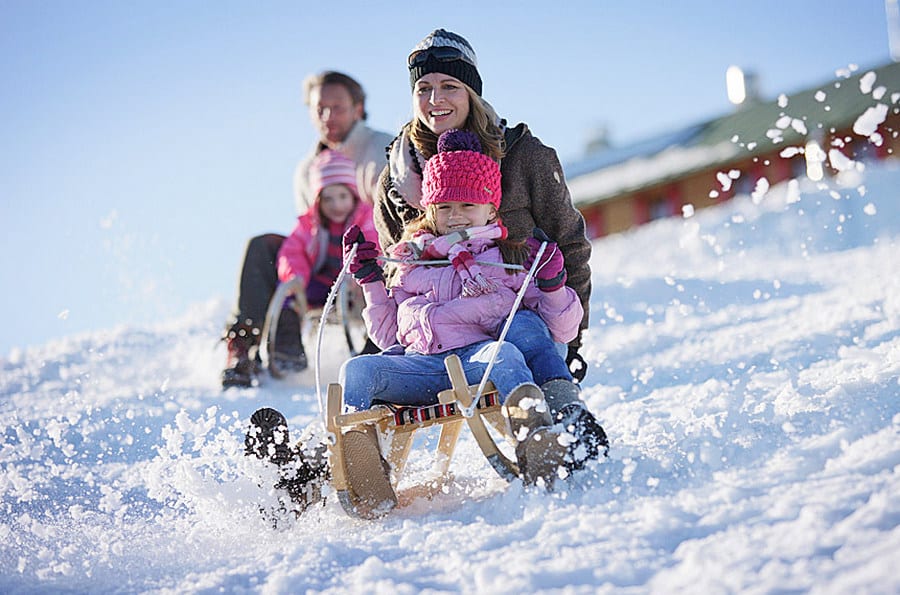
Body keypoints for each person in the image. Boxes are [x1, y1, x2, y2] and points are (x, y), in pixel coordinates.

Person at [244, 130, 607, 518]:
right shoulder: (410, 262)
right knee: (359, 368)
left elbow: (561, 331)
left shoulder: (509, 258)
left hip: (474, 363)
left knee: (507, 353)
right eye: (445, 206)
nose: (455, 216)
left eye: (468, 204)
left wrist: (553, 286)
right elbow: (387, 336)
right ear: (430, 210)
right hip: (420, 365)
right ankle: (361, 460)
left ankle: (535, 438)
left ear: (491, 209)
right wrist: (371, 284)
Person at [372, 29, 594, 389]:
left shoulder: (524, 156)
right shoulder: (398, 179)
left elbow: (569, 244)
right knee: (369, 371)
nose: (435, 99)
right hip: (436, 343)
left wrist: (572, 339)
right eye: (423, 88)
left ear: (472, 94)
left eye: (449, 86)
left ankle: (551, 421)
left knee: (523, 336)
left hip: (522, 325)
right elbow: (394, 274)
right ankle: (334, 440)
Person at [222, 71, 393, 389]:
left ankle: (381, 351)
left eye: (338, 107)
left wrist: (367, 268)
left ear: (358, 109)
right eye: (319, 109)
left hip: (379, 259)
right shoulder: (306, 170)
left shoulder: (382, 148)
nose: (328, 116)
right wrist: (295, 276)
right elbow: (309, 231)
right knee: (263, 247)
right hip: (325, 267)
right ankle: (246, 346)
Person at [266, 150, 379, 375]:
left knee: (378, 294)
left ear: (353, 195)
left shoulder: (366, 218)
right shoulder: (310, 224)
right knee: (287, 293)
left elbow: (373, 243)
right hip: (320, 285)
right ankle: (287, 350)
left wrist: (361, 273)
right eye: (328, 198)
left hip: (354, 286)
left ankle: (374, 347)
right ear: (318, 200)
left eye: (342, 197)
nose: (336, 205)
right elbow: (292, 251)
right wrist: (295, 277)